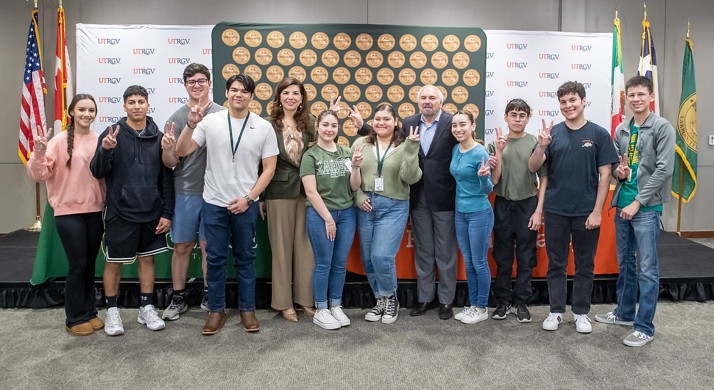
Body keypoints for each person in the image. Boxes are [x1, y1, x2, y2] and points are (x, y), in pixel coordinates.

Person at [174, 74, 278, 335]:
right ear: (227, 93)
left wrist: (249, 198)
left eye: (244, 91)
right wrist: (189, 124)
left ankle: (247, 309)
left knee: (245, 258)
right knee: (216, 258)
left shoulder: (263, 127)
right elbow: (182, 150)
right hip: (214, 203)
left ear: (252, 96)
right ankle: (216, 310)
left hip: (246, 204)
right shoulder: (210, 121)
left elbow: (269, 170)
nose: (238, 94)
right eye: (234, 90)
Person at [354, 85, 458, 320]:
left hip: (444, 198)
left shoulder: (451, 123)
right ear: (418, 101)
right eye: (423, 98)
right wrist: (363, 127)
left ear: (441, 102)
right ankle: (424, 298)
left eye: (432, 98)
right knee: (423, 252)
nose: (427, 101)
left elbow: (464, 142)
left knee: (445, 253)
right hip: (417, 196)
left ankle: (446, 301)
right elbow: (386, 134)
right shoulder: (410, 122)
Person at [528, 81, 618, 334]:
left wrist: (598, 211)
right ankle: (556, 311)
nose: (568, 106)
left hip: (586, 212)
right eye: (563, 102)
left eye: (573, 101)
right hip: (556, 210)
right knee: (556, 263)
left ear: (583, 101)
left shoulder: (599, 134)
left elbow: (606, 175)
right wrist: (543, 145)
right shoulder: (551, 134)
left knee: (585, 264)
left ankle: (581, 313)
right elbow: (533, 167)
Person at [595, 75, 675, 347]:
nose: (636, 99)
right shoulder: (622, 129)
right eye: (631, 95)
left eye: (641, 94)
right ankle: (625, 313)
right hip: (622, 205)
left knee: (647, 269)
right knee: (626, 265)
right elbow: (623, 167)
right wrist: (620, 173)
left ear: (651, 97)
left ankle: (645, 327)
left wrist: (638, 201)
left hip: (645, 208)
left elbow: (664, 169)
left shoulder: (662, 127)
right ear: (626, 99)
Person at [90, 85, 175, 336]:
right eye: (131, 102)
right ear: (124, 106)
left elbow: (166, 180)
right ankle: (112, 310)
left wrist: (167, 212)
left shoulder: (160, 137)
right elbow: (97, 171)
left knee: (147, 259)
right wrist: (106, 150)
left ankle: (146, 307)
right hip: (119, 211)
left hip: (151, 212)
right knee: (114, 261)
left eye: (141, 101)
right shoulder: (111, 133)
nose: (136, 106)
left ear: (148, 105)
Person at [27, 94, 106, 336]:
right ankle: (74, 317)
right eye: (81, 109)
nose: (86, 114)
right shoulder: (58, 142)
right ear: (71, 112)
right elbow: (39, 175)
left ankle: (90, 311)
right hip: (68, 213)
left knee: (90, 266)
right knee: (78, 264)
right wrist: (39, 152)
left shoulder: (100, 140)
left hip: (95, 212)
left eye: (91, 109)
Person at [160, 63, 226, 321]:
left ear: (210, 83)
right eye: (191, 82)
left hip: (216, 193)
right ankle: (178, 297)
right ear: (185, 85)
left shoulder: (224, 115)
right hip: (186, 191)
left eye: (201, 80)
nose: (197, 85)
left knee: (209, 246)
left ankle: (210, 295)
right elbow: (169, 162)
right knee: (182, 246)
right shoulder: (175, 118)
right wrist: (167, 150)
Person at [353, 103, 422, 324]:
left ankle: (391, 296)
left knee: (381, 256)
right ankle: (380, 299)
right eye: (378, 119)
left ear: (395, 123)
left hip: (394, 206)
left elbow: (411, 178)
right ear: (372, 122)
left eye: (387, 119)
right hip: (366, 205)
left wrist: (411, 150)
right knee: (368, 258)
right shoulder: (361, 143)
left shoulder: (405, 146)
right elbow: (351, 174)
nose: (381, 123)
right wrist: (358, 196)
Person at [487, 99, 547, 323]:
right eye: (513, 114)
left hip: (528, 204)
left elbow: (544, 177)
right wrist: (500, 152)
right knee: (502, 257)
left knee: (525, 256)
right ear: (506, 117)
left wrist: (538, 210)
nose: (517, 119)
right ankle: (503, 301)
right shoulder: (496, 144)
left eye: (522, 115)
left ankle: (522, 302)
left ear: (528, 118)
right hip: (503, 203)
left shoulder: (536, 141)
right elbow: (495, 180)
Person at [300, 110, 359, 330]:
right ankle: (321, 309)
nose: (329, 129)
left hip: (347, 214)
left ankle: (336, 304)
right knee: (323, 263)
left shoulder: (345, 152)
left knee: (340, 263)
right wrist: (328, 219)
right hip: (320, 215)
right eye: (325, 125)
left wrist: (355, 167)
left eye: (334, 125)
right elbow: (310, 192)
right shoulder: (311, 155)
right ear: (317, 127)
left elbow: (354, 186)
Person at [263, 77, 316, 322]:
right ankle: (283, 303)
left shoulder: (310, 123)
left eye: (296, 93)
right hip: (277, 192)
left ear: (302, 98)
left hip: (307, 191)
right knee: (281, 249)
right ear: (279, 97)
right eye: (286, 93)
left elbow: (323, 150)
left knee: (305, 248)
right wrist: (261, 197)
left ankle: (305, 300)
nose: (291, 97)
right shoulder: (268, 125)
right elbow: (260, 163)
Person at [449, 110, 494, 324]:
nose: (458, 129)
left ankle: (482, 307)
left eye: (463, 124)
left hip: (479, 213)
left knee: (479, 261)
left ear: (472, 126)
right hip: (461, 213)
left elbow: (487, 189)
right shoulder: (455, 149)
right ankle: (473, 304)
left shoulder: (480, 153)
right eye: (455, 125)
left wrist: (483, 178)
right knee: (468, 261)